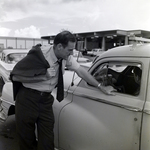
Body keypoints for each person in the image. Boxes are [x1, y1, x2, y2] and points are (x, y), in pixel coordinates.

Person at [10, 30, 115, 150]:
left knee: (47, 140)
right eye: (70, 50)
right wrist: (42, 76)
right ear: (59, 46)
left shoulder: (65, 57)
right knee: (26, 140)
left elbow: (80, 71)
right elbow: (16, 76)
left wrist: (100, 86)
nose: (72, 53)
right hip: (27, 99)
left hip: (45, 100)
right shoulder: (39, 55)